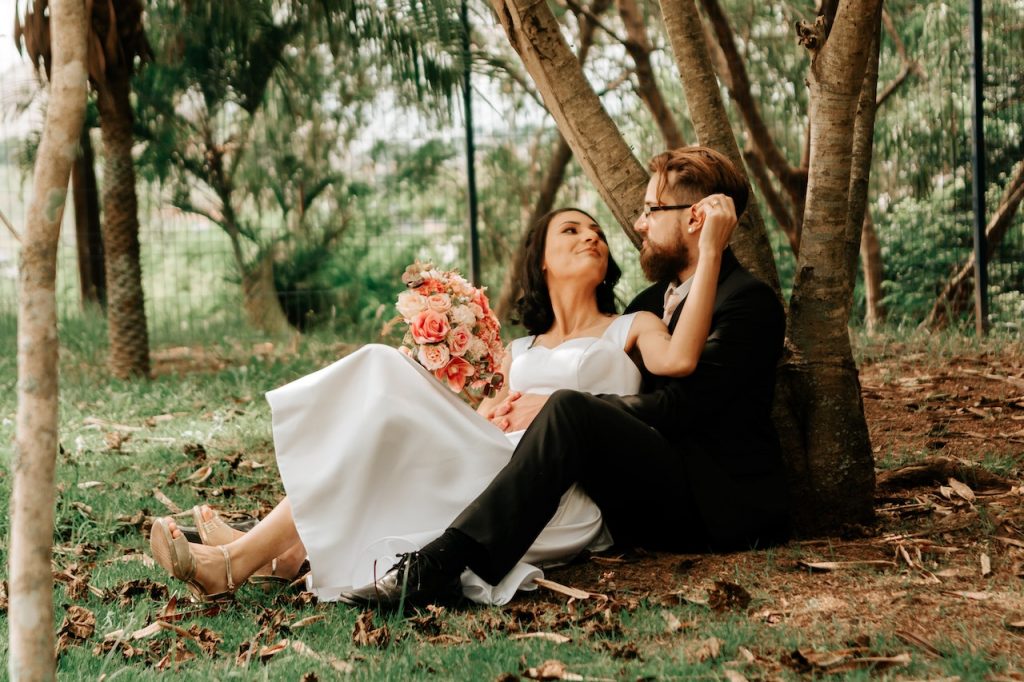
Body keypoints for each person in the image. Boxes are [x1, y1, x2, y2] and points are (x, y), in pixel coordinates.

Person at [149, 191, 741, 605]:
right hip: (495, 459)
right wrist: (486, 403)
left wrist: (711, 248)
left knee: (383, 384)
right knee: (385, 384)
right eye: (571, 229)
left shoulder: (633, 324)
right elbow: (487, 418)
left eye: (596, 233)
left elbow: (683, 360)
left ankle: (243, 560)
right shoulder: (519, 348)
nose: (590, 236)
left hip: (553, 496)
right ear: (540, 259)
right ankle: (273, 551)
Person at [339, 145, 790, 608]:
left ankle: (445, 563)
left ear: (696, 218)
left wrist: (565, 400)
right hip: (636, 487)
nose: (638, 225)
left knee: (569, 406)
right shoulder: (649, 303)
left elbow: (682, 409)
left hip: (715, 504)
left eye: (652, 210)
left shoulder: (748, 303)